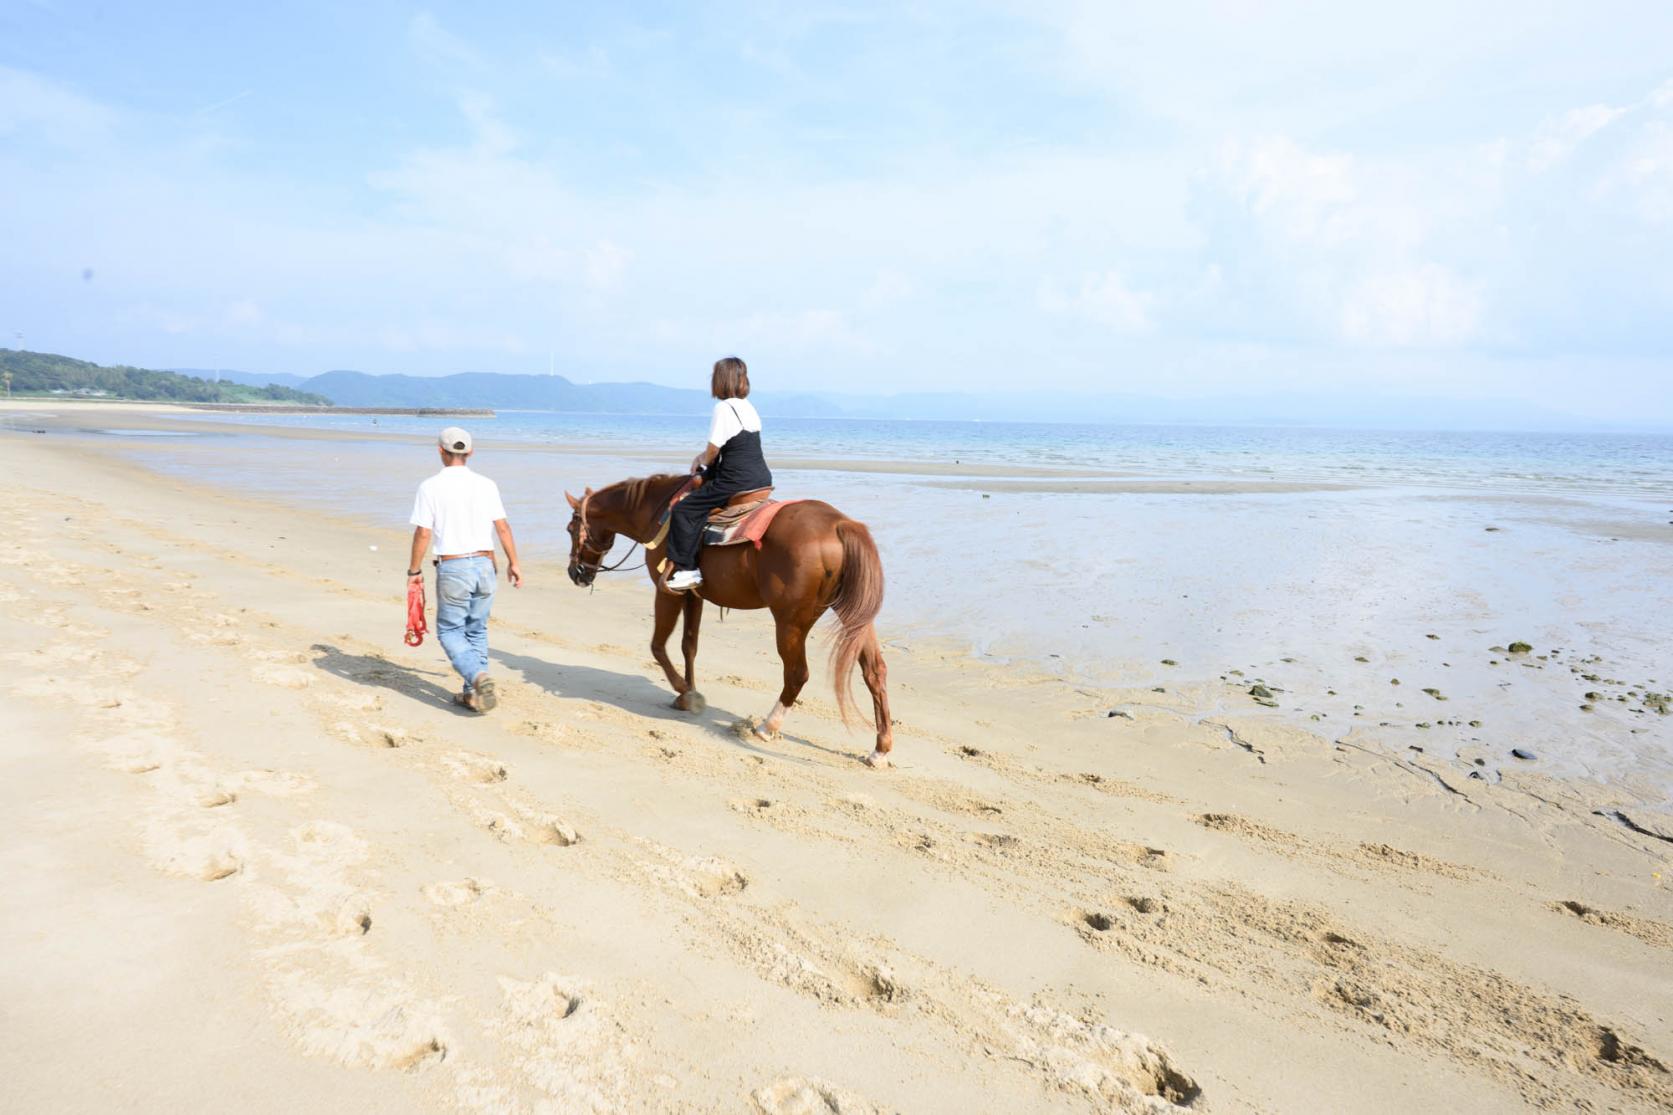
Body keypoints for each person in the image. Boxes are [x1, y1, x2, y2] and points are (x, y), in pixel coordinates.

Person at [407, 426, 523, 710]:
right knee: (477, 630)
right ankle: (475, 694)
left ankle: (477, 676)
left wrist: (413, 571)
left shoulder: (430, 486)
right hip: (485, 563)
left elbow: (424, 532)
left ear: (440, 451)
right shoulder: (487, 484)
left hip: (454, 565)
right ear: (470, 452)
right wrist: (514, 563)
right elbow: (503, 527)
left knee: (449, 630)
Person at [665, 356, 773, 592]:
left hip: (735, 481)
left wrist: (700, 459)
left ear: (720, 380)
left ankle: (687, 570)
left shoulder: (723, 408)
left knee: (685, 510)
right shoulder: (749, 407)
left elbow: (714, 450)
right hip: (762, 479)